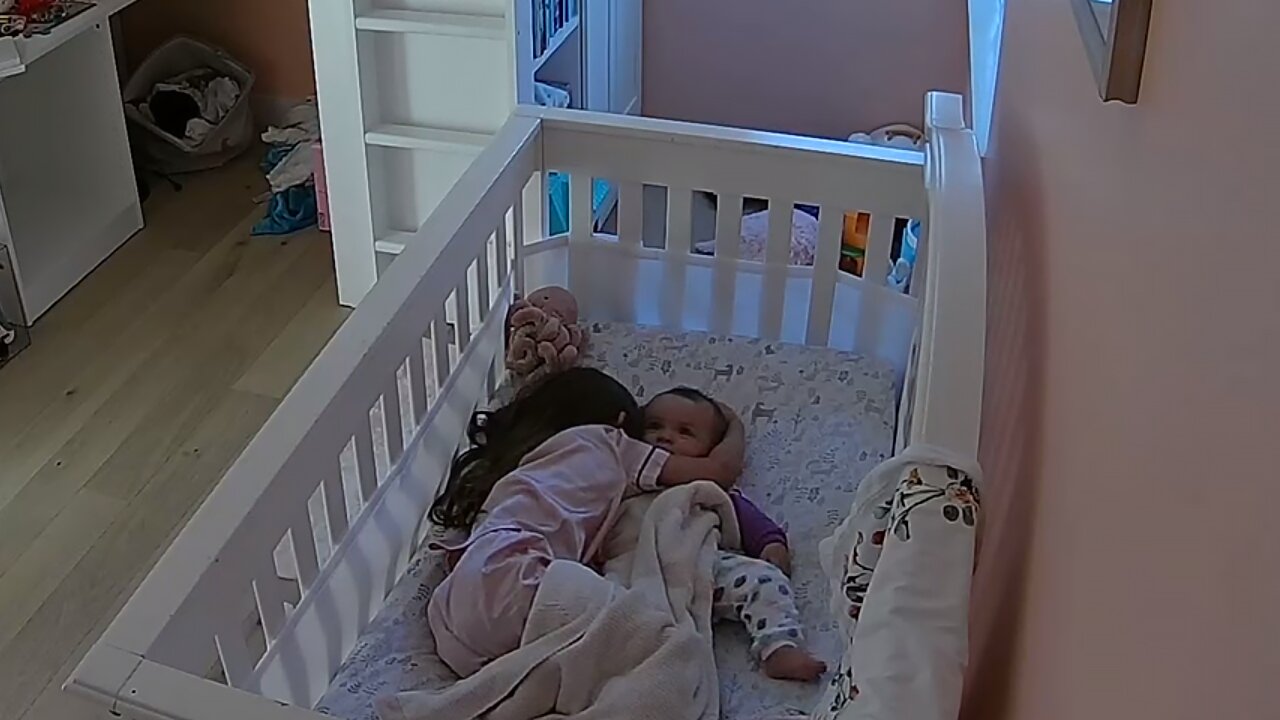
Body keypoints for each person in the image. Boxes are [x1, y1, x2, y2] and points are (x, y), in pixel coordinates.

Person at [425, 368, 738, 677]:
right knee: (655, 639)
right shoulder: (613, 442)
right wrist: (734, 425)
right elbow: (718, 470)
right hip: (518, 577)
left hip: (454, 615)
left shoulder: (528, 461)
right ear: (620, 421)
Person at [644, 388, 827, 681]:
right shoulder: (629, 475)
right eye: (653, 426)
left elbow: (748, 518)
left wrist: (771, 542)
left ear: (710, 450)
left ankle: (778, 647)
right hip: (632, 569)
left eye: (684, 432)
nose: (665, 437)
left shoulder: (707, 488)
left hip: (701, 567)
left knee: (764, 580)